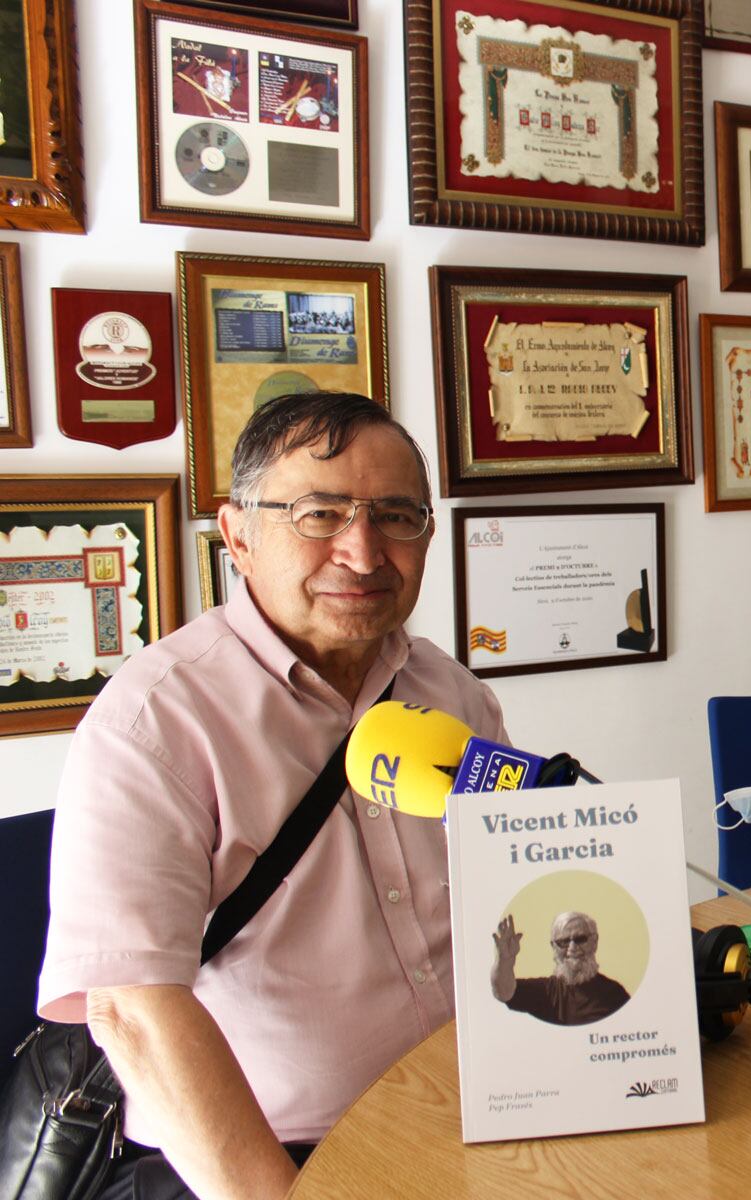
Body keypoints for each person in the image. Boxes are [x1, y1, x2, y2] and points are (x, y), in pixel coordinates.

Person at [38, 393, 507, 1200]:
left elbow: (514, 894)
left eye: (397, 516)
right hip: (267, 1163)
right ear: (238, 536)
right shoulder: (154, 722)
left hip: (477, 1117)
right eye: (320, 514)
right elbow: (132, 1011)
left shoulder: (454, 695)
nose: (363, 551)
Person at [491, 911, 631, 1026]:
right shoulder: (546, 992)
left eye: (580, 939)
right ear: (554, 947)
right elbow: (503, 993)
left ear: (594, 942)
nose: (572, 948)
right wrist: (505, 960)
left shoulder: (614, 994)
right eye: (563, 942)